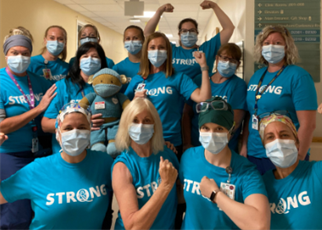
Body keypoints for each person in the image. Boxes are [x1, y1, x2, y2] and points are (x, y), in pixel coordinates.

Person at [0, 102, 113, 229]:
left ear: (90, 130)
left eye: (82, 127)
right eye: (68, 128)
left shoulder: (103, 163)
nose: (75, 133)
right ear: (58, 132)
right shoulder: (38, 169)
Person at [180, 98, 271, 229]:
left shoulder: (246, 171)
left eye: (219, 128)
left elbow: (260, 225)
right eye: (205, 128)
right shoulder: (189, 157)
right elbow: (181, 195)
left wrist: (215, 195)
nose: (211, 134)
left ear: (230, 132)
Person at [0, 34, 57, 229]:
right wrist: (38, 109)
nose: (20, 57)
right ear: (6, 55)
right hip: (10, 154)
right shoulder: (0, 82)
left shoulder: (40, 82)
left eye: (25, 53)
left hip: (41, 154)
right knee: (16, 212)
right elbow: (1, 126)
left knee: (40, 209)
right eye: (14, 53)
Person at [244, 25, 318, 174]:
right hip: (254, 153)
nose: (271, 46)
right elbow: (251, 114)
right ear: (261, 47)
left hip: (285, 154)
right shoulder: (256, 76)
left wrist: (299, 158)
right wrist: (244, 147)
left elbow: (308, 124)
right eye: (267, 43)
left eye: (277, 43)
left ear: (287, 47)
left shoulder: (298, 76)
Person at [124, 32, 212, 153]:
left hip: (171, 142)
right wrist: (134, 101)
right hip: (143, 141)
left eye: (161, 47)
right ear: (146, 51)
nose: (157, 51)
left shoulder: (178, 78)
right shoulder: (137, 80)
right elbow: (124, 111)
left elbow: (204, 98)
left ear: (168, 52)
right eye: (152, 47)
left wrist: (203, 67)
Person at [259, 114, 322, 229]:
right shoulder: (261, 185)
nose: (278, 142)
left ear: (297, 143)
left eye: (284, 135)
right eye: (270, 137)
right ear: (265, 147)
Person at [110, 98, 180, 230]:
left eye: (147, 120)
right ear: (126, 125)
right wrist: (164, 186)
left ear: (155, 124)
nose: (141, 126)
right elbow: (133, 227)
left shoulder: (168, 154)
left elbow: (179, 196)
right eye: (135, 120)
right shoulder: (122, 166)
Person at [41, 43, 110, 154]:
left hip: (98, 152)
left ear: (102, 62)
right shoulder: (63, 86)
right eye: (85, 56)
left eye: (95, 57)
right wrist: (81, 123)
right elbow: (45, 124)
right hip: (66, 153)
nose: (90, 60)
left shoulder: (109, 87)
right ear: (78, 61)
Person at [144, 1, 235, 86]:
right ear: (179, 34)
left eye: (192, 31)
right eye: (184, 31)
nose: (188, 34)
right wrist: (159, 11)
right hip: (175, 96)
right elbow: (148, 33)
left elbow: (229, 28)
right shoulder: (171, 50)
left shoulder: (207, 49)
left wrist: (214, 6)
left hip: (200, 96)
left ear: (197, 33)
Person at [191, 44, 247, 153]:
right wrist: (187, 142)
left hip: (223, 147)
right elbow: (187, 114)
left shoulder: (238, 85)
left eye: (233, 60)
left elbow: (235, 123)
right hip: (196, 143)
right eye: (225, 58)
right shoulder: (200, 79)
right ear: (217, 58)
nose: (227, 63)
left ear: (238, 64)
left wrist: (216, 145)